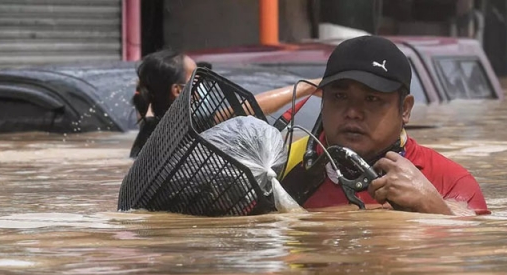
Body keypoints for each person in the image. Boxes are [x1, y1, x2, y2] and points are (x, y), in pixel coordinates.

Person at [281, 35, 489, 216]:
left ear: (405, 109)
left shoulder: (450, 181)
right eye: (340, 96)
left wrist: (430, 205)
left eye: (371, 99)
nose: (352, 112)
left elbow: (468, 244)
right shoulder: (281, 165)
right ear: (323, 100)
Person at [130, 49, 320, 158]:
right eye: (197, 75)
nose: (203, 80)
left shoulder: (150, 126)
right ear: (178, 90)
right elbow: (246, 108)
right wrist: (305, 88)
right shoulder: (186, 127)